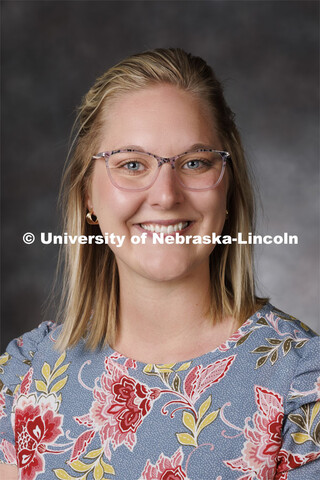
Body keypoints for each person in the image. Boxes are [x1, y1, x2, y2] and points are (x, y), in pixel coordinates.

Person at [0, 48, 319, 479]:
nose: (166, 195)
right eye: (132, 164)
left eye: (194, 163)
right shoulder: (25, 372)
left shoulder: (303, 382)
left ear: (227, 191)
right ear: (88, 196)